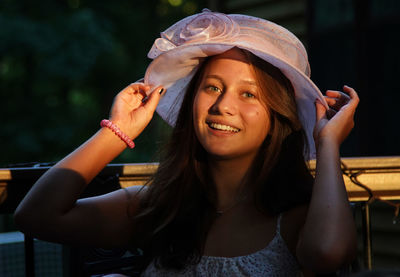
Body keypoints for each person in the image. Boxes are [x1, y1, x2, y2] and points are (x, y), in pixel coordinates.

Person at [14, 9, 359, 276]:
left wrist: (327, 143)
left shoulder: (297, 215)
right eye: (212, 87)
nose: (223, 105)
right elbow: (36, 217)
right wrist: (117, 131)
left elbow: (327, 255)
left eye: (249, 94)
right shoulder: (158, 206)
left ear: (276, 117)